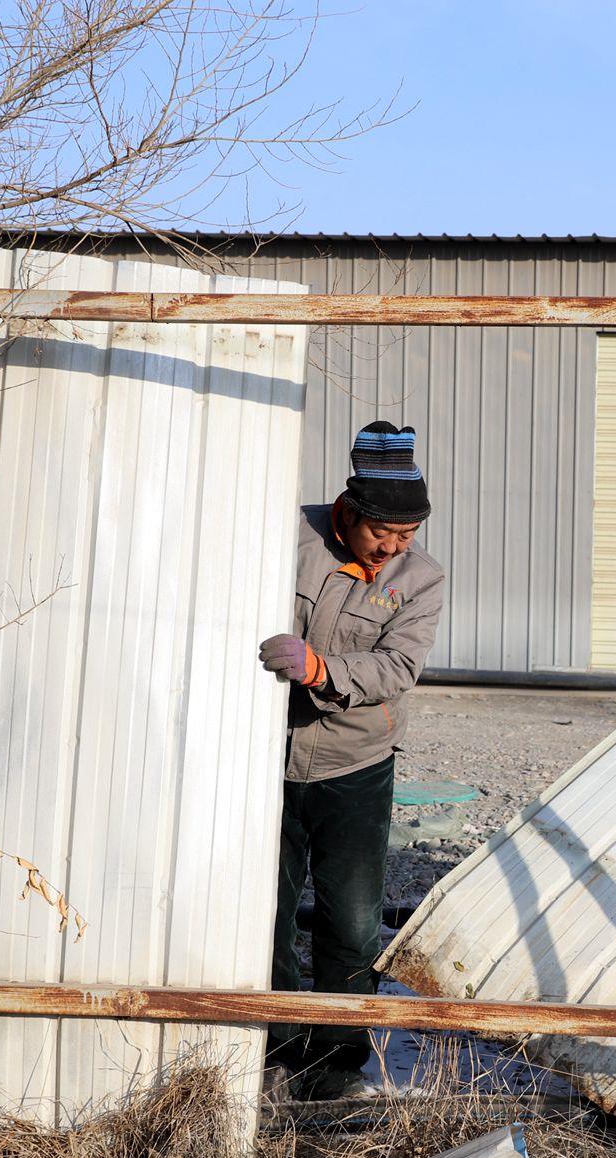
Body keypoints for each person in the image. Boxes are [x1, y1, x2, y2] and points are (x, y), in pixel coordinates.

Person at [256, 421, 445, 1099]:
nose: (393, 547)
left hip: (355, 766)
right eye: (382, 533)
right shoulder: (289, 537)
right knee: (268, 915)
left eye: (407, 535)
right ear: (350, 510)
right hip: (268, 763)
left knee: (353, 921)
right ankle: (275, 1046)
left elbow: (397, 666)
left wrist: (321, 669)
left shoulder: (420, 579)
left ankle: (337, 1061)